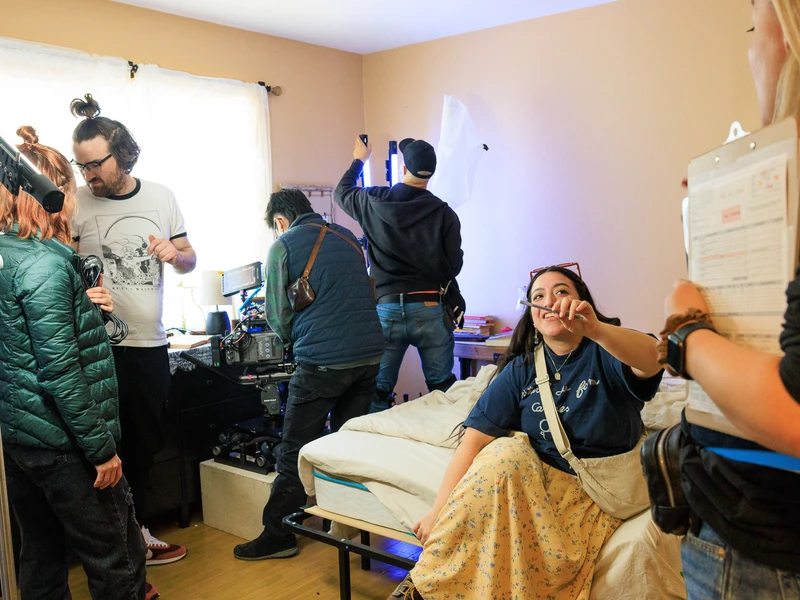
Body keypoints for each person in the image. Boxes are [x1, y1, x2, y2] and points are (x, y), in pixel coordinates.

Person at [391, 265, 663, 599]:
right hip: (533, 485)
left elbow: (654, 358)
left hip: (592, 495)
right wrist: (437, 511)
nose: (551, 301)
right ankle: (422, 588)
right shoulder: (523, 368)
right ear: (533, 316)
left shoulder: (606, 350)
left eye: (562, 291)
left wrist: (596, 330)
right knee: (503, 452)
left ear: (581, 303)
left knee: (505, 457)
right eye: (538, 296)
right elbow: (473, 440)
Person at [662, 1, 800, 596]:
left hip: (760, 545)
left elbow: (791, 409)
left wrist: (685, 332)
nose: (752, 50)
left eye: (755, 24)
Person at [0, 126, 148, 599]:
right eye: (68, 187)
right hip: (65, 445)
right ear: (46, 194)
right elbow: (61, 372)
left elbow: (25, 342)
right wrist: (101, 449)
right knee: (118, 558)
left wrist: (86, 309)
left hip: (22, 440)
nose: (75, 197)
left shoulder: (10, 256)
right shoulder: (44, 265)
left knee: (41, 554)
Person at [70, 93, 194, 567]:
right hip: (95, 348)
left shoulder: (161, 196)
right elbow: (62, 264)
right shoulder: (77, 201)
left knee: (145, 442)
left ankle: (136, 533)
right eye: (82, 167)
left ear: (121, 154)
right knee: (103, 447)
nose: (89, 176)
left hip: (147, 345)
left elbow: (189, 257)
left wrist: (174, 255)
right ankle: (108, 545)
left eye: (95, 165)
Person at [233, 188, 385, 560]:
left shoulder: (282, 246)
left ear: (281, 222)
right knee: (350, 443)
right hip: (368, 357)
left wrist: (294, 342)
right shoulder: (347, 237)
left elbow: (277, 314)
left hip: (322, 362)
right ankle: (354, 520)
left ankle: (279, 534)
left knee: (294, 448)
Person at [334, 136, 464, 412]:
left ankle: (375, 451)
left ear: (404, 168)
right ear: (430, 174)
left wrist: (360, 159)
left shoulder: (373, 200)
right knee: (443, 389)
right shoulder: (444, 213)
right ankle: (448, 448)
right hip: (430, 306)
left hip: (387, 308)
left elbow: (341, 192)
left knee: (377, 391)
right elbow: (454, 267)